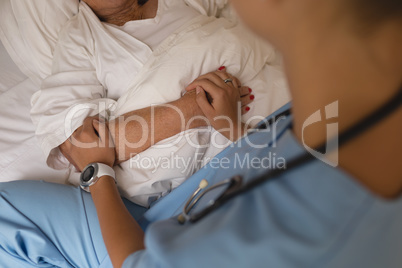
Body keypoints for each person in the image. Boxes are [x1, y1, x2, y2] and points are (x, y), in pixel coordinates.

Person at [1, 0, 401, 268]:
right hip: (235, 154)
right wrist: (218, 123)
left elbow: (137, 259)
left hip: (164, 216)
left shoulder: (275, 233)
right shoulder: (330, 119)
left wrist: (99, 173)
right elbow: (72, 134)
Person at [30, 0, 287, 206]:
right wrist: (192, 109)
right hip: (209, 176)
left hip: (281, 117)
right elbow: (80, 146)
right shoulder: (80, 37)